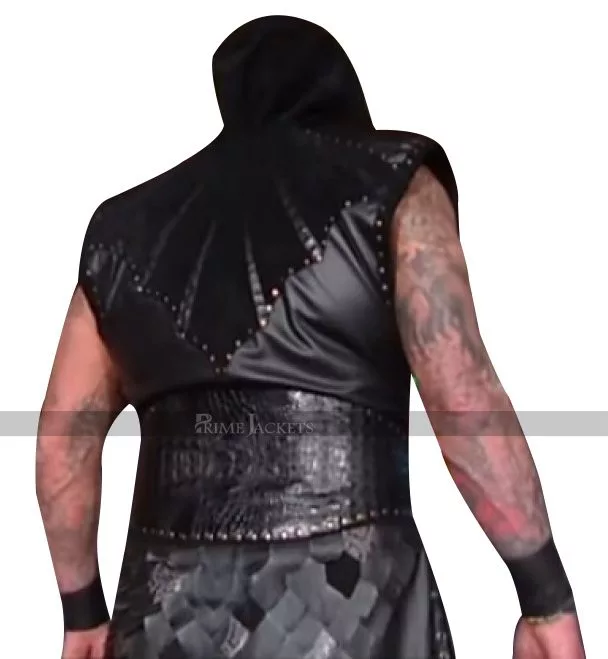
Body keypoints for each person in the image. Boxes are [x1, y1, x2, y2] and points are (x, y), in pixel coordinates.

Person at [35, 14, 585, 659]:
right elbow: (464, 396)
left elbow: (60, 447)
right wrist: (544, 596)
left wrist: (82, 614)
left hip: (167, 616)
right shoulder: (392, 183)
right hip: (356, 602)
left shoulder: (120, 233)